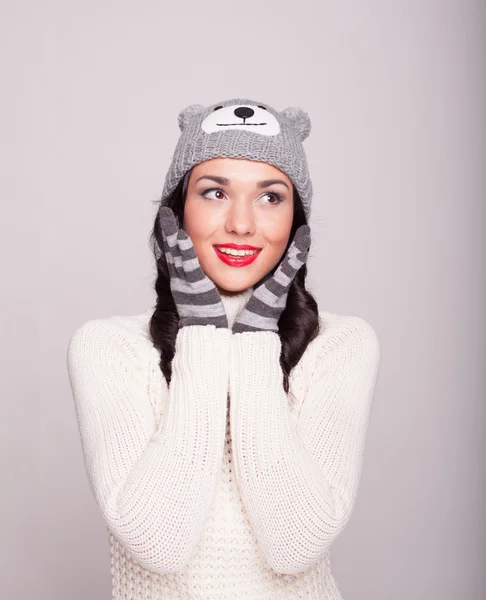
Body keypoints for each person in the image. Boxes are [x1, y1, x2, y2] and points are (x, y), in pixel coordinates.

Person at [66, 97, 381, 599]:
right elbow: (158, 545)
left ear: (296, 222)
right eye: (214, 192)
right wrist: (203, 332)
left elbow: (295, 545)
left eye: (271, 197)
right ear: (177, 212)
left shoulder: (341, 344)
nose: (241, 223)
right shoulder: (108, 348)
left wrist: (255, 338)